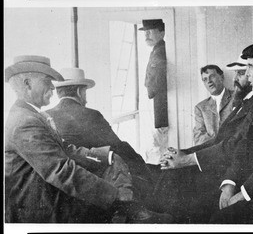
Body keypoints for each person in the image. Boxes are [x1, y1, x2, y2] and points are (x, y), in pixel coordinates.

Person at [4, 55, 173, 224]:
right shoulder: (24, 121)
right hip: (37, 208)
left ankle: (132, 213)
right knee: (107, 201)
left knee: (108, 180)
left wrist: (106, 155)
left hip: (46, 194)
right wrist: (113, 194)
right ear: (27, 84)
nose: (52, 88)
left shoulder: (32, 115)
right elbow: (61, 169)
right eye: (47, 81)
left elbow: (66, 149)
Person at [162, 41, 253, 224]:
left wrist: (242, 194)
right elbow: (244, 145)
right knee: (196, 206)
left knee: (216, 218)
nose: (247, 74)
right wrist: (229, 184)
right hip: (245, 182)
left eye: (250, 66)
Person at [46, 67, 154, 203]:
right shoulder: (91, 115)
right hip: (95, 181)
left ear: (59, 93)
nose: (86, 99)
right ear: (80, 92)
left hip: (62, 185)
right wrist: (144, 169)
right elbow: (118, 147)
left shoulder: (45, 116)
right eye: (85, 92)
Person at [138, 19, 168, 165]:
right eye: (145, 32)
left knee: (156, 146)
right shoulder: (157, 49)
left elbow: (154, 83)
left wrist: (149, 90)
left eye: (150, 31)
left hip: (158, 104)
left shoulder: (160, 50)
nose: (146, 35)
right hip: (156, 104)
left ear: (162, 32)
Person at [193, 65, 234, 145]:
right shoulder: (200, 108)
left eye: (212, 77)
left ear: (222, 77)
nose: (209, 81)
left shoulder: (235, 97)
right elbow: (198, 138)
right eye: (205, 79)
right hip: (211, 153)